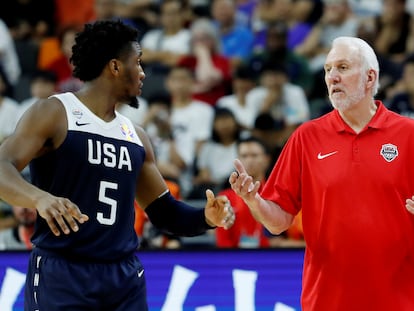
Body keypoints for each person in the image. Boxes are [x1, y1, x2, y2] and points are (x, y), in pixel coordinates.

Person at [0, 20, 235, 311]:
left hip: (122, 277)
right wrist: (40, 198)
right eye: (137, 63)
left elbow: (163, 213)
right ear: (114, 67)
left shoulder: (137, 136)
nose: (143, 73)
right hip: (64, 271)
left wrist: (206, 218)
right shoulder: (55, 112)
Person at [229, 36, 414, 310]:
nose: (332, 77)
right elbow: (278, 223)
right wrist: (254, 200)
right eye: (328, 69)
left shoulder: (408, 134)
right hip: (326, 300)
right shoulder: (306, 136)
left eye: (342, 67)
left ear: (370, 77)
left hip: (398, 299)